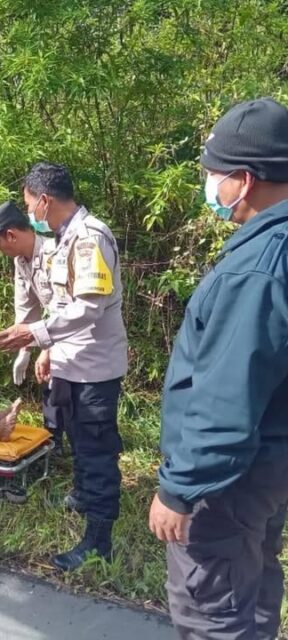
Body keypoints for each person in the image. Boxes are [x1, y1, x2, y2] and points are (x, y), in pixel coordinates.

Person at [149, 97, 288, 640]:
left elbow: (227, 398)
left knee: (213, 614)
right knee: (251, 591)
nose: (209, 185)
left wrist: (180, 489)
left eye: (213, 175)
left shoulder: (257, 270)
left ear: (245, 180)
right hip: (267, 464)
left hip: (228, 480)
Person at [0, 162, 128, 571]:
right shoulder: (65, 239)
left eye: (30, 203)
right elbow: (55, 304)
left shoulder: (89, 239)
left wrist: (35, 337)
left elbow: (88, 308)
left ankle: (98, 541)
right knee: (76, 436)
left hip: (94, 367)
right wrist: (39, 343)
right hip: (70, 361)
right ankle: (83, 496)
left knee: (97, 449)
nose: (29, 209)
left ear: (45, 201)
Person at [0, 200, 70, 453]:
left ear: (10, 235)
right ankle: (53, 441)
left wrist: (47, 349)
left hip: (75, 331)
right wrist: (24, 351)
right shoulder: (21, 261)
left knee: (63, 382)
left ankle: (79, 445)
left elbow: (64, 307)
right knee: (48, 380)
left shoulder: (56, 254)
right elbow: (27, 309)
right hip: (51, 328)